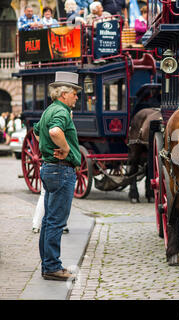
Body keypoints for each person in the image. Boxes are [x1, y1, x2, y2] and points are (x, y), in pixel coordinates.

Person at [33, 71, 82, 281]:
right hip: (62, 169)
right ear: (64, 94)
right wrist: (64, 148)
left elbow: (37, 131)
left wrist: (49, 147)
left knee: (48, 220)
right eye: (75, 93)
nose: (77, 97)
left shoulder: (49, 109)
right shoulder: (61, 112)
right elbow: (54, 132)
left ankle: (47, 264)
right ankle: (52, 267)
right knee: (56, 221)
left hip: (50, 168)